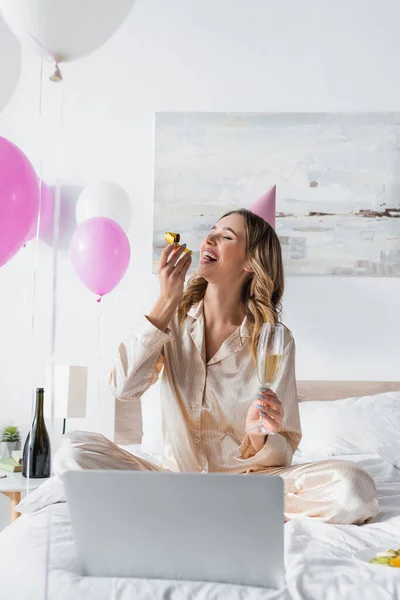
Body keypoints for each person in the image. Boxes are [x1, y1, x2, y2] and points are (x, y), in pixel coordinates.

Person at [54, 209, 378, 524]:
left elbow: (284, 454)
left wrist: (259, 434)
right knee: (73, 451)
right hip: (175, 481)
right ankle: (209, 509)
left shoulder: (274, 340)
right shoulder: (174, 319)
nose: (209, 239)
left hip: (249, 485)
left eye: (225, 236)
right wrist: (166, 300)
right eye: (210, 233)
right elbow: (123, 388)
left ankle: (187, 509)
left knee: (353, 487)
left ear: (251, 262)